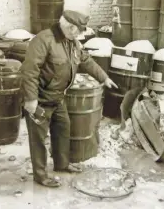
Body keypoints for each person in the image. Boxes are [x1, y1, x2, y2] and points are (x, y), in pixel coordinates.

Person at [21, 10, 118, 188]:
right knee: (39, 140)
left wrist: (104, 77)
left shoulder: (73, 42)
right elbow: (29, 70)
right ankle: (41, 175)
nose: (80, 34)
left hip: (58, 98)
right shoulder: (43, 40)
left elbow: (86, 60)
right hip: (41, 99)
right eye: (79, 30)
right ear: (71, 27)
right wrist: (31, 100)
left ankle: (62, 164)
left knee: (63, 131)